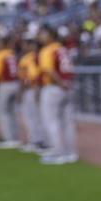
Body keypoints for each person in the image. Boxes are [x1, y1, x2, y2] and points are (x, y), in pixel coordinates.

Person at [38, 27, 78, 164]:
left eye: (44, 35)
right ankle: (71, 152)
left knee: (51, 120)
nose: (42, 37)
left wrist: (61, 83)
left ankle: (58, 153)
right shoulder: (64, 49)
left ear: (49, 36)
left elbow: (49, 71)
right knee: (68, 122)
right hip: (68, 86)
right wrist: (66, 84)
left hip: (55, 87)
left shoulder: (48, 50)